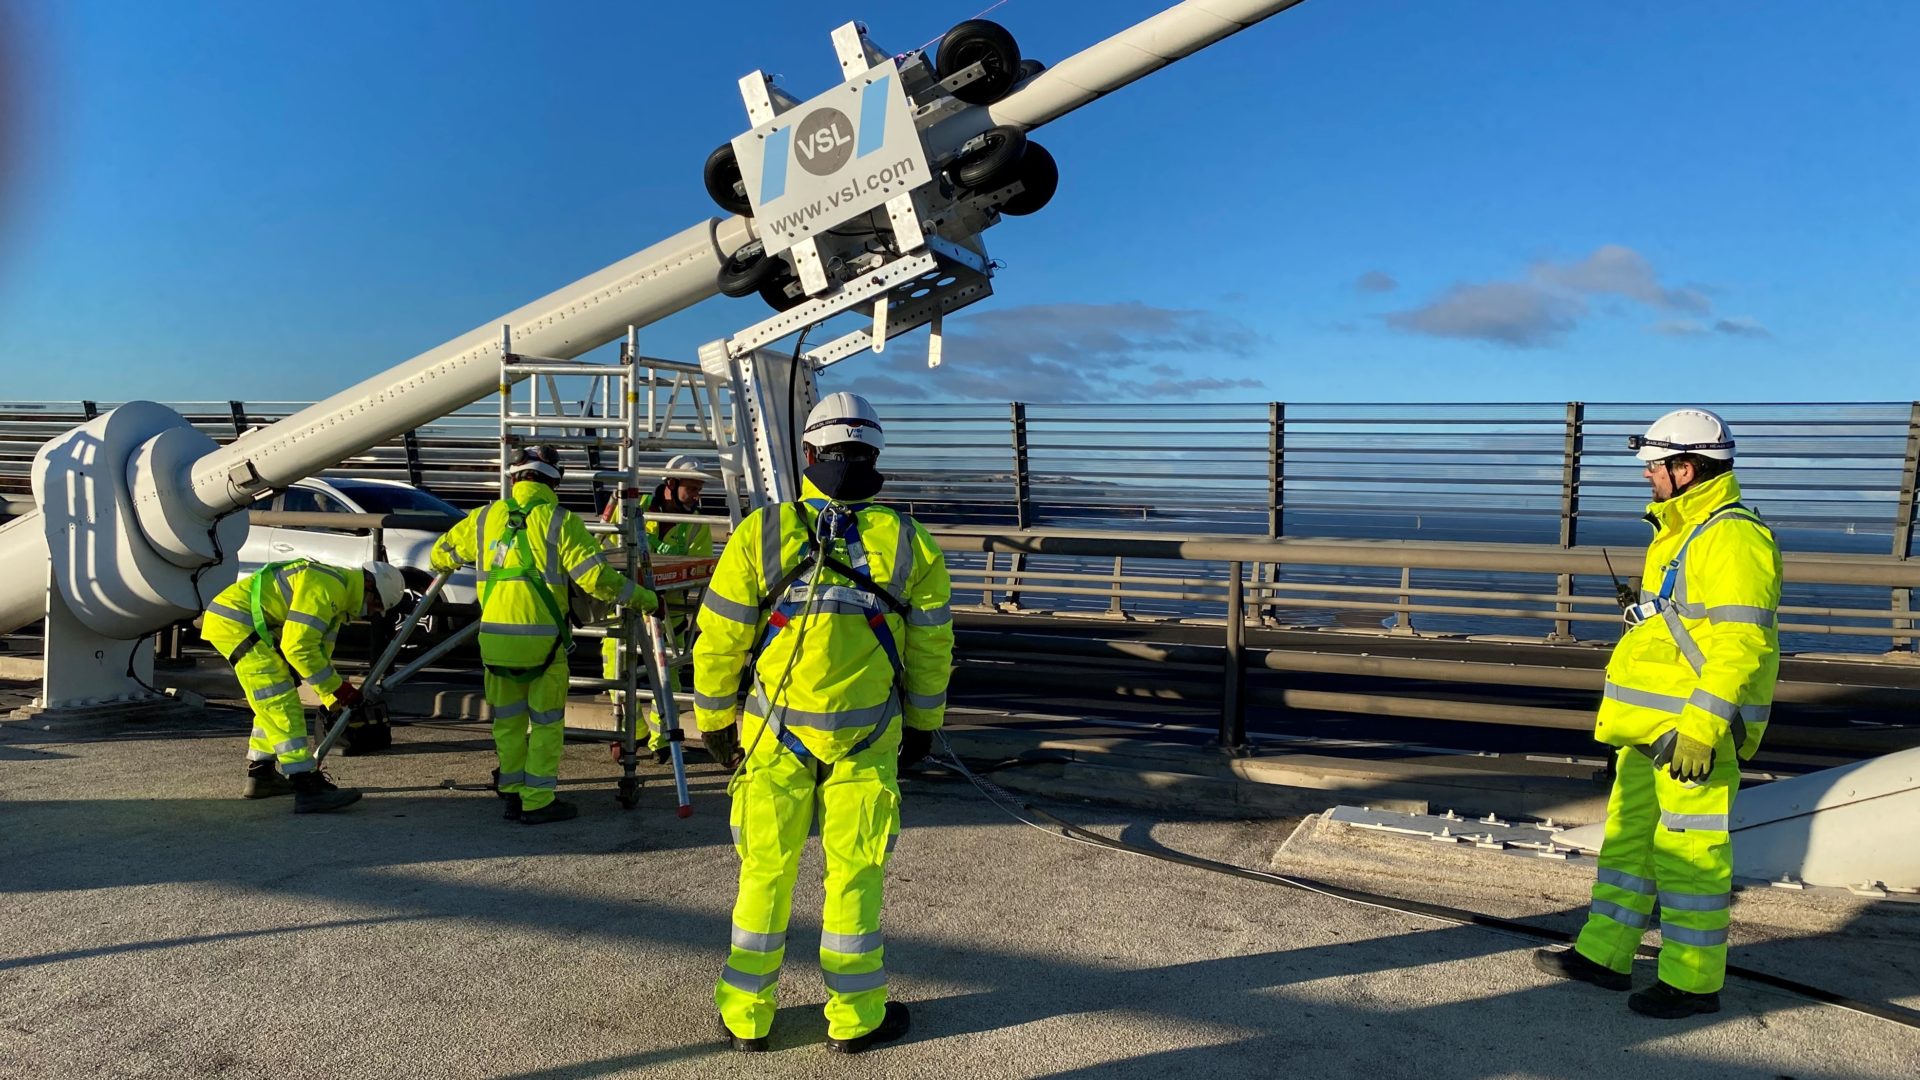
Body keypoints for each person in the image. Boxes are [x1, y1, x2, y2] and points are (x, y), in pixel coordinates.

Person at [693, 392, 953, 1054]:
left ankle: (748, 1016)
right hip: (867, 743)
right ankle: (856, 1017)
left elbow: (718, 640)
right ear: (874, 456)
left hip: (773, 737)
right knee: (856, 876)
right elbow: (930, 649)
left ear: (808, 456)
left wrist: (716, 721)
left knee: (765, 873)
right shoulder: (908, 542)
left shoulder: (761, 532)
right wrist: (923, 724)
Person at [1534, 408, 1782, 1019]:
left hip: (1690, 733)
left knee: (1690, 856)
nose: (1647, 477)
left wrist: (1701, 728)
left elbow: (1739, 643)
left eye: (1654, 467)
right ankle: (1604, 954)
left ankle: (1693, 985)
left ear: (1686, 467)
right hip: (1650, 728)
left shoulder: (1732, 535)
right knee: (1628, 843)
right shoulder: (1681, 530)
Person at [429, 444, 658, 824]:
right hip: (544, 646)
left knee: (508, 722)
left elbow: (440, 555)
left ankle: (513, 791)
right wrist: (645, 599)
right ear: (554, 480)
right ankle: (536, 801)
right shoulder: (560, 522)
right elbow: (597, 580)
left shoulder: (484, 518)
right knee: (546, 723)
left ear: (514, 477)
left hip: (495, 642)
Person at [201, 557, 405, 814]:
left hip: (245, 623)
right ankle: (307, 785)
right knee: (279, 701)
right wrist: (339, 689)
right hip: (236, 623)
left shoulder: (337, 598)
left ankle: (261, 775)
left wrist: (332, 698)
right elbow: (298, 647)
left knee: (273, 702)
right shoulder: (328, 587)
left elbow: (318, 654)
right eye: (375, 605)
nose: (372, 611)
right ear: (368, 585)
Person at [601, 454, 715, 763]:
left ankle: (662, 742)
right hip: (625, 609)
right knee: (616, 672)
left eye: (698, 489)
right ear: (671, 483)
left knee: (667, 683)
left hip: (668, 616)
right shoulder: (632, 507)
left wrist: (663, 581)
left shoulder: (696, 525)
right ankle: (630, 733)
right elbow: (607, 548)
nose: (696, 495)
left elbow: (697, 569)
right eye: (691, 488)